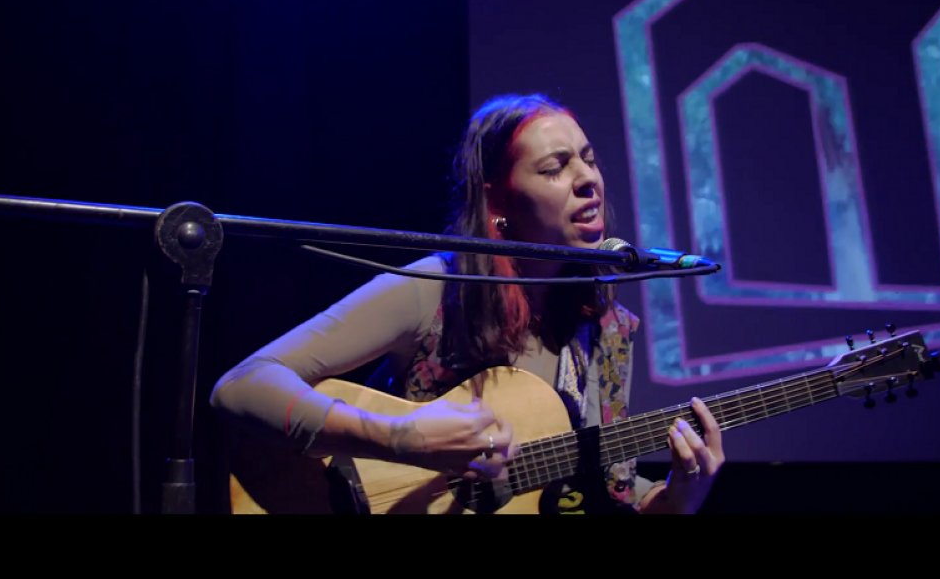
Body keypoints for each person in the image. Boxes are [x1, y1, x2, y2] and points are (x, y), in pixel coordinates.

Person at [210, 93, 725, 514]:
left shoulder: (606, 328)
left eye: (588, 159)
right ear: (498, 203)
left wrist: (678, 499)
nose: (588, 178)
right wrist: (400, 438)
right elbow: (242, 384)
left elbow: (598, 494)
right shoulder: (435, 288)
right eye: (555, 168)